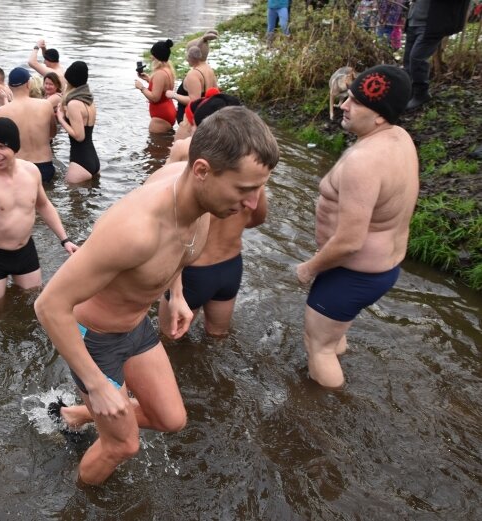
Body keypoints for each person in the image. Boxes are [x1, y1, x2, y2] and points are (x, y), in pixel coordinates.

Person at [34, 106, 279, 486]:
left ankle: (75, 414)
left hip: (135, 328)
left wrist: (175, 292)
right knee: (123, 446)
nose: (252, 203)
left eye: (258, 188)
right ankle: (80, 501)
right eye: (245, 189)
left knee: (171, 419)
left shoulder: (207, 201)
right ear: (201, 171)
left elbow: (176, 250)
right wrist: (97, 385)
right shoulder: (135, 230)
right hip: (94, 338)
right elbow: (48, 305)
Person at [296, 65, 418, 388]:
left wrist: (309, 268)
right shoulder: (400, 138)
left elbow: (350, 240)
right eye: (347, 97)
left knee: (317, 345)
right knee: (333, 337)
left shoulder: (364, 162)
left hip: (353, 271)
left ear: (379, 115)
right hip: (379, 269)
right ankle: (338, 363)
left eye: (355, 102)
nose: (343, 106)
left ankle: (325, 416)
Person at [156, 93, 264, 338]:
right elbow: (258, 218)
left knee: (167, 342)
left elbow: (163, 207)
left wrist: (175, 292)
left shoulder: (187, 150)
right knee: (218, 337)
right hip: (230, 266)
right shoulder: (252, 170)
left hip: (190, 271)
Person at [0, 117, 78, 301]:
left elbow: (43, 205)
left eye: (1, 146)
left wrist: (65, 240)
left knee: (33, 303)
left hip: (25, 251)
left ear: (14, 147)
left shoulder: (31, 171)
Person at [403, 0, 472, 111]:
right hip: (413, 21)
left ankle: (421, 93)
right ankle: (410, 91)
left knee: (417, 58)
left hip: (432, 25)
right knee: (407, 60)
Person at [0, 67, 57, 183]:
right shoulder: (46, 105)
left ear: (10, 87)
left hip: (19, 168)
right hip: (45, 167)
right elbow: (52, 134)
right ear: (28, 84)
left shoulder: (0, 112)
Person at [167, 30, 218, 140]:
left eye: (187, 53)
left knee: (179, 154)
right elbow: (214, 95)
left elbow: (194, 100)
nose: (186, 57)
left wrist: (173, 95)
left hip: (189, 122)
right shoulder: (209, 70)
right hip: (204, 120)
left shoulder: (194, 74)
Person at [56, 61, 99, 183]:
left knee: (73, 199)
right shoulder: (89, 100)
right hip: (94, 160)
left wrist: (60, 119)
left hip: (80, 161)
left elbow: (79, 136)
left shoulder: (73, 104)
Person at [135, 39, 177, 134]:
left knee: (154, 147)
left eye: (152, 54)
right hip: (168, 111)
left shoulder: (159, 74)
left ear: (157, 56)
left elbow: (155, 98)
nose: (151, 57)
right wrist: (149, 79)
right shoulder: (167, 70)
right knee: (164, 146)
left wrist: (141, 87)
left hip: (161, 117)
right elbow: (163, 89)